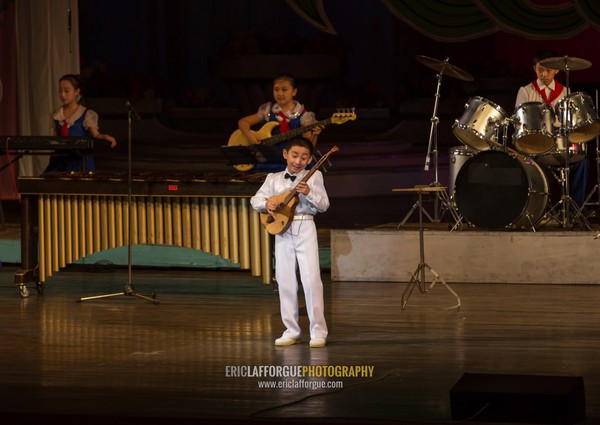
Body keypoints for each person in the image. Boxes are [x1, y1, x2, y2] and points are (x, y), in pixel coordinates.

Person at [250, 137, 329, 348]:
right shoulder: (273, 178)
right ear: (285, 154)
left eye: (304, 157)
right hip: (282, 230)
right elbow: (255, 200)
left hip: (305, 226)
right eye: (295, 155)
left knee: (311, 281)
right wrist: (267, 202)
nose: (298, 161)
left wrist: (309, 193)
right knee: (285, 281)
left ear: (310, 159)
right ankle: (291, 330)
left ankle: (318, 332)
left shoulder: (314, 176)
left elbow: (324, 205)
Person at [515, 49, 588, 209]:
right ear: (534, 68)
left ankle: (576, 208)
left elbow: (570, 123)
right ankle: (535, 208)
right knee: (528, 163)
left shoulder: (565, 91)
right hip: (536, 146)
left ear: (556, 70)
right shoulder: (526, 91)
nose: (544, 74)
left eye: (548, 70)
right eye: (540, 69)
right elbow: (519, 121)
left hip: (559, 144)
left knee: (581, 161)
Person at [237, 73, 322, 173]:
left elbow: (308, 145)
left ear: (294, 91)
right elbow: (243, 122)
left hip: (290, 161)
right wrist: (249, 135)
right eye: (276, 89)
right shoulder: (268, 110)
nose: (280, 93)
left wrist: (315, 135)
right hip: (269, 159)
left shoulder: (304, 116)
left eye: (284, 89)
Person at [44, 74, 117, 174]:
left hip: (80, 161)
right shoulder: (56, 114)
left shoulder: (86, 114)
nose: (62, 94)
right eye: (60, 91)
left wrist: (104, 136)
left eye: (66, 91)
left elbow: (95, 134)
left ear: (76, 91)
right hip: (61, 160)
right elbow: (55, 138)